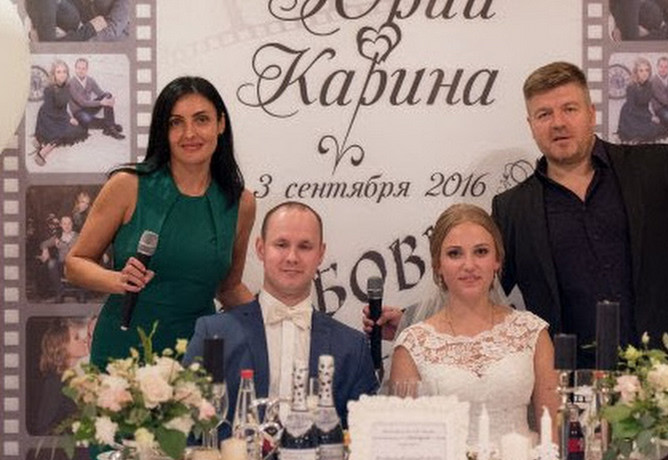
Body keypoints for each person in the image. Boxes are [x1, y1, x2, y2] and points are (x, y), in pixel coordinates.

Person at [367, 62, 668, 376]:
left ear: (590, 113)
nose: (558, 122)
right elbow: (482, 286)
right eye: (544, 114)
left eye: (569, 109)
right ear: (531, 125)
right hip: (573, 382)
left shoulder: (656, 167)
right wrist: (413, 320)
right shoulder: (513, 208)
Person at [65, 76, 256, 370]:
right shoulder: (127, 185)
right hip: (124, 352)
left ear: (220, 124)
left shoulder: (241, 203)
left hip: (203, 353)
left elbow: (229, 288)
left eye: (201, 119)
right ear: (163, 131)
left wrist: (273, 322)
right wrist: (118, 280)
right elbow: (75, 264)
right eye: (175, 122)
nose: (189, 133)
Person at [183, 201, 379, 430]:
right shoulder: (215, 334)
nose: (292, 257)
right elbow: (189, 426)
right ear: (260, 248)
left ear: (320, 254)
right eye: (281, 244)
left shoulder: (352, 347)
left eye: (305, 246)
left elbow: (365, 438)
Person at [390, 204, 559, 448]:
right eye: (455, 254)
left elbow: (554, 433)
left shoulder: (533, 332)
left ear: (497, 260)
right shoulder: (412, 346)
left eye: (481, 251)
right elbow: (407, 446)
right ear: (438, 265)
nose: (469, 265)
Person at [32, 317, 91, 435]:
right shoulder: (54, 383)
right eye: (76, 338)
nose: (84, 340)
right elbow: (45, 428)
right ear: (63, 346)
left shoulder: (77, 376)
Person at [31, 59, 88, 166]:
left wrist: (70, 117)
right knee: (60, 132)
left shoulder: (67, 87)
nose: (62, 74)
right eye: (58, 72)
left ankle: (39, 140)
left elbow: (63, 108)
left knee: (78, 130)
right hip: (47, 117)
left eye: (64, 71)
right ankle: (42, 153)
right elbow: (50, 111)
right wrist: (68, 119)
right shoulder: (49, 90)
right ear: (54, 74)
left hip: (60, 115)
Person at [68, 57, 125, 140]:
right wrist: (101, 103)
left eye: (83, 68)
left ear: (87, 70)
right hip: (78, 112)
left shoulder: (90, 80)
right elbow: (82, 102)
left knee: (107, 95)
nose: (81, 71)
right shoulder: (71, 83)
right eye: (78, 68)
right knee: (87, 120)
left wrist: (110, 99)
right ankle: (111, 125)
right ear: (75, 69)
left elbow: (101, 93)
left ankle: (110, 128)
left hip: (89, 108)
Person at [617, 57, 668, 143]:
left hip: (643, 112)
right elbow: (632, 109)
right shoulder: (631, 87)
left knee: (661, 128)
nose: (644, 73)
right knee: (646, 131)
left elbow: (647, 105)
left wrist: (652, 116)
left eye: (647, 70)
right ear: (636, 72)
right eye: (641, 71)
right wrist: (650, 117)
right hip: (630, 115)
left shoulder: (649, 85)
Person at [38, 215, 78, 301]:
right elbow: (43, 244)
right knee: (51, 263)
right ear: (61, 225)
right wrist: (45, 249)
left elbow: (89, 245)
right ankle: (60, 292)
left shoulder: (78, 237)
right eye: (64, 224)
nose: (67, 226)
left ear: (72, 224)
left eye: (69, 223)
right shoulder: (58, 237)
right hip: (61, 265)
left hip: (75, 265)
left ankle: (81, 293)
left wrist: (103, 253)